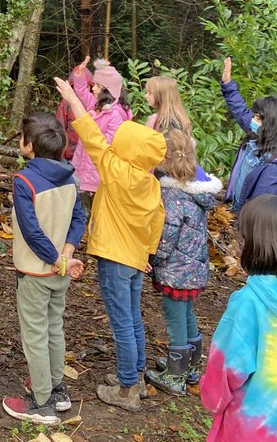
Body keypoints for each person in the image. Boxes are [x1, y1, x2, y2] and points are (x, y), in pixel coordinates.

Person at [55, 74, 165, 412]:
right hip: (134, 259)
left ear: (128, 149)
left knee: (121, 322)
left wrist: (74, 100)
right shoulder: (149, 181)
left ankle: (127, 387)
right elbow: (156, 221)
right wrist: (148, 253)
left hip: (115, 258)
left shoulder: (115, 168)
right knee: (132, 318)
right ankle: (137, 377)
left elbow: (89, 133)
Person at [200, 195, 277, 441]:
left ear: (259, 245)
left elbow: (226, 368)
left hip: (250, 426)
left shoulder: (249, 302)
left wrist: (212, 398)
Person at [2, 113, 87, 426]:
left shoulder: (24, 181)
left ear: (29, 146)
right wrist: (67, 253)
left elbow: (31, 230)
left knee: (35, 334)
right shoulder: (69, 177)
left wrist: (55, 258)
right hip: (61, 271)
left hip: (36, 272)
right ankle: (56, 389)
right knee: (54, 327)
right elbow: (79, 219)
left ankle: (40, 402)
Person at [144, 110, 222, 395]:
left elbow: (166, 238)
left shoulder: (173, 197)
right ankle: (190, 367)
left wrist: (153, 259)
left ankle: (175, 376)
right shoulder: (197, 193)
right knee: (188, 316)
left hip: (176, 272)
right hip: (194, 270)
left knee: (176, 321)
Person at [219, 58, 277, 213]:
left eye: (258, 117)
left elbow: (263, 207)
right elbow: (240, 111)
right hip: (240, 209)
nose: (253, 119)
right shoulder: (258, 133)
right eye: (255, 115)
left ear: (274, 124)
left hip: (254, 219)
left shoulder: (276, 166)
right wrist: (228, 85)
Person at [68, 57, 133, 211]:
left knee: (98, 205)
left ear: (107, 89)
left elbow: (108, 143)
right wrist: (79, 75)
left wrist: (89, 129)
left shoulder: (116, 114)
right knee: (80, 201)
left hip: (98, 168)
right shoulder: (96, 104)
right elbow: (82, 92)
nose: (93, 89)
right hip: (83, 162)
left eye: (97, 86)